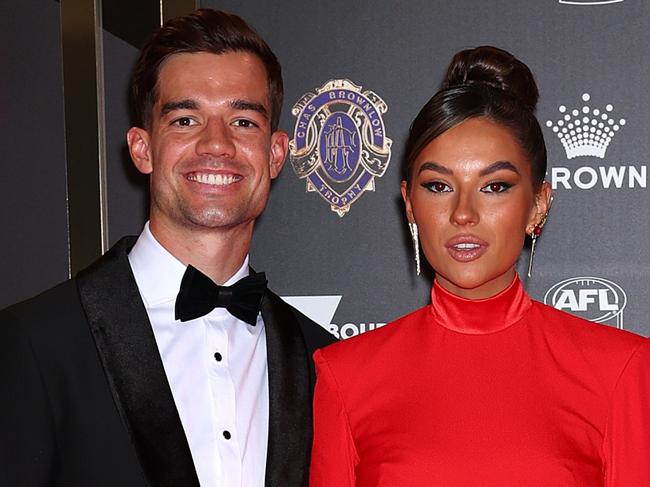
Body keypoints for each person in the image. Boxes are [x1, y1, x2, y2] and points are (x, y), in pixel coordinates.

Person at [0, 9, 335, 487]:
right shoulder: (35, 343)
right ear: (142, 148)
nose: (216, 144)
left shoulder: (321, 358)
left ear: (276, 153)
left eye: (243, 121)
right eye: (185, 118)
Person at [309, 46, 650, 486]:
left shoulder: (621, 369)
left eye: (494, 186)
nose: (463, 213)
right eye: (438, 186)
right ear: (410, 204)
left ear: (538, 205)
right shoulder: (345, 376)